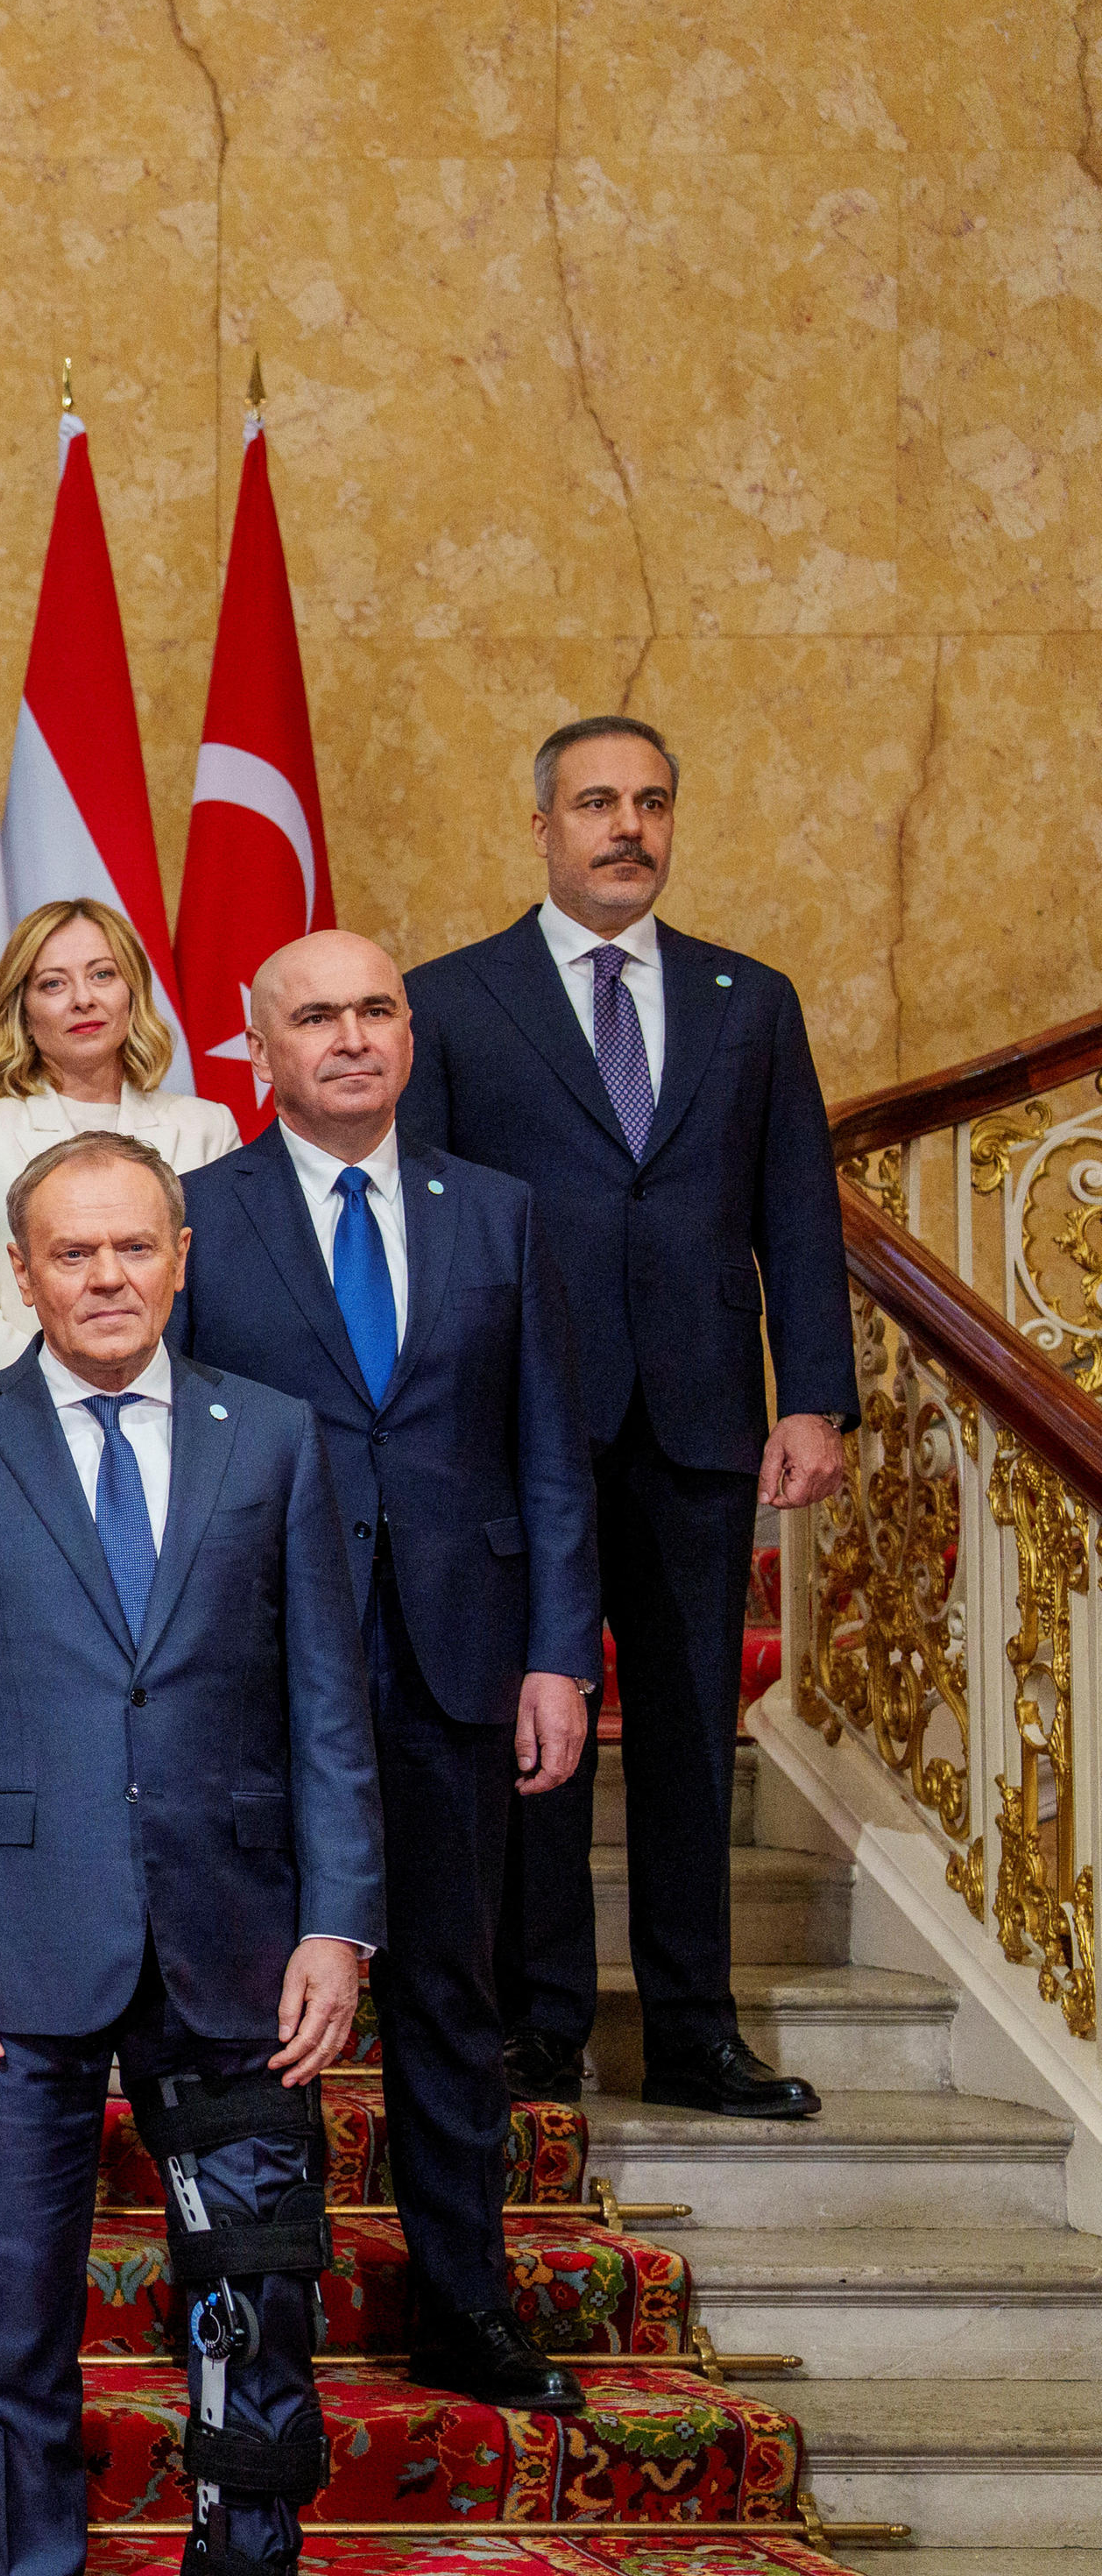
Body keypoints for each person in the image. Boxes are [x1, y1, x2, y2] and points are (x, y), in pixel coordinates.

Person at [0, 1129, 386, 2576]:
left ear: (178, 1257)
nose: (104, 1277)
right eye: (70, 1252)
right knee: (18, 2322)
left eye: (132, 1249)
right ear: (23, 1271)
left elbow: (324, 1699)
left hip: (238, 1951)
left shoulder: (274, 1438)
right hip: (13, 1960)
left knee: (260, 2306)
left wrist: (338, 1915)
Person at [404, 716, 854, 2121]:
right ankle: (540, 2024)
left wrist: (818, 1395)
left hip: (706, 1418)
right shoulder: (454, 999)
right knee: (535, 1720)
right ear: (540, 825)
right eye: (598, 802)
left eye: (651, 803)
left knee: (684, 1735)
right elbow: (430, 1226)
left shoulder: (749, 998)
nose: (628, 828)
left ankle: (693, 2029)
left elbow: (796, 1206)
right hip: (518, 1424)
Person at [180, 931, 600, 2417]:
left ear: (408, 1038)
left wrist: (560, 1651)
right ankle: (257, 2294)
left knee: (446, 1990)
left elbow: (550, 1449)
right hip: (257, 1670)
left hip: (457, 1660)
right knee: (255, 2001)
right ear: (257, 1045)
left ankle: (464, 2298)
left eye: (375, 1011)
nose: (350, 1037)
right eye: (316, 1016)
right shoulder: (193, 1220)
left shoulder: (497, 1212)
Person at [0, 897, 238, 1369]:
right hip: (29, 1410)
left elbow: (225, 1305)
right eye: (53, 983)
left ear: (133, 992)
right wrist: (74, 1387)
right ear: (22, 1009)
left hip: (179, 1410)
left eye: (102, 974)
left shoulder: (207, 1128)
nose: (83, 998)